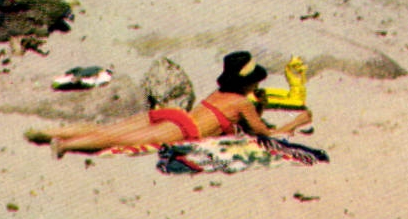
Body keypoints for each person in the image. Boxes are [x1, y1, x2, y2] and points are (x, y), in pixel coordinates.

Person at [28, 52, 312, 157]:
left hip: (175, 114)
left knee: (111, 128)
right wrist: (296, 122)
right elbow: (264, 133)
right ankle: (64, 145)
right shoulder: (242, 104)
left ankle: (56, 131)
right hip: (184, 128)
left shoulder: (221, 93)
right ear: (249, 84)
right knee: (116, 138)